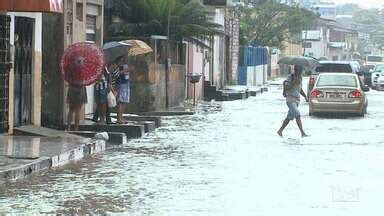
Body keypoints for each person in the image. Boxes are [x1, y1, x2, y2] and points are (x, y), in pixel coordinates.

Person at [277, 65, 309, 137]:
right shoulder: (290, 77)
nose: (300, 72)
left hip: (297, 100)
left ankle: (280, 130)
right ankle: (302, 133)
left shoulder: (300, 78)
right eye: (299, 71)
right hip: (290, 100)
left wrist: (305, 96)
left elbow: (300, 89)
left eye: (301, 71)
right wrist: (293, 82)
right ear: (296, 70)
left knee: (289, 117)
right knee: (297, 114)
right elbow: (286, 87)